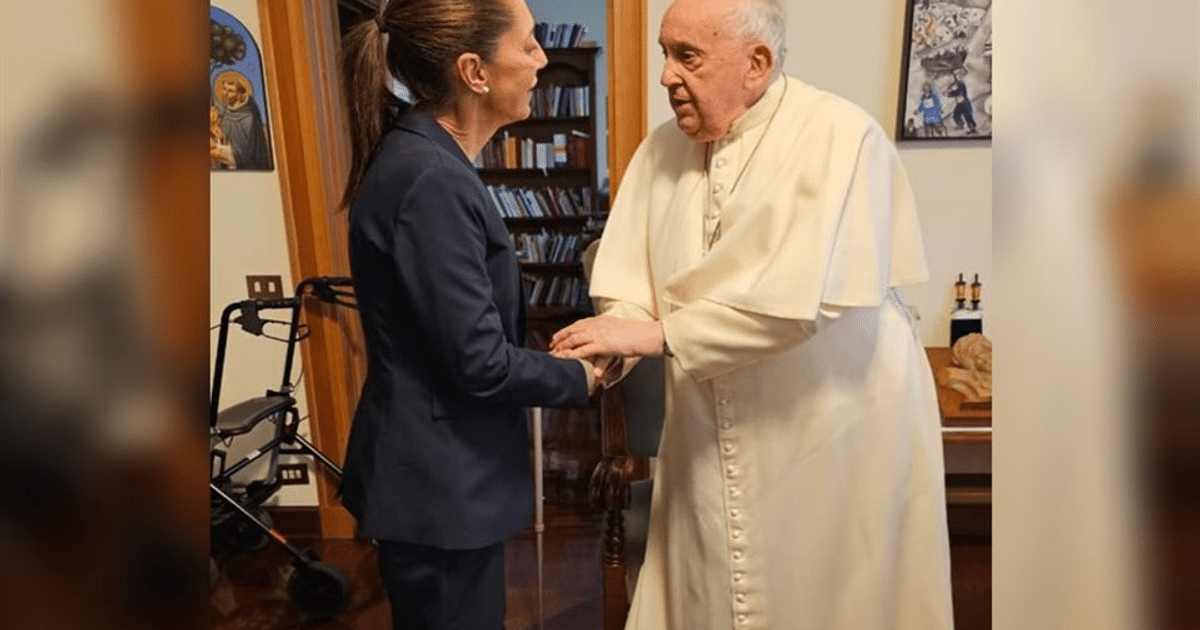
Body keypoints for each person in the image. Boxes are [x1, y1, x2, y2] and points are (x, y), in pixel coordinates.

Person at [550, 0, 954, 628]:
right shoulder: (660, 151)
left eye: (687, 57)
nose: (665, 77)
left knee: (830, 591)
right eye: (663, 53)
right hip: (710, 421)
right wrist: (612, 343)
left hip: (833, 420)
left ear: (757, 63)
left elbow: (800, 305)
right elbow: (633, 284)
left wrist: (655, 334)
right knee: (710, 582)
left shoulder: (840, 137)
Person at [337, 1, 605, 627]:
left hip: (438, 478)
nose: (543, 60)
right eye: (530, 44)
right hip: (437, 487)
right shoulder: (429, 177)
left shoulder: (426, 158)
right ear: (474, 71)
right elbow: (479, 362)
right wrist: (581, 377)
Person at [212, 70, 272, 169]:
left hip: (246, 165)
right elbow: (224, 138)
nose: (225, 93)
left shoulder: (249, 116)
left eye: (230, 91)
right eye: (224, 89)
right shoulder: (226, 113)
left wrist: (221, 152)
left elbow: (247, 153)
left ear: (239, 94)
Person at [948, 69, 978, 134]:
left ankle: (972, 130)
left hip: (965, 103)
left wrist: (951, 93)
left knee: (968, 117)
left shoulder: (961, 84)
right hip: (960, 104)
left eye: (958, 76)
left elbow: (959, 92)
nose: (956, 78)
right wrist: (950, 92)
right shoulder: (957, 83)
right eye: (955, 76)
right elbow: (954, 91)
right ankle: (962, 126)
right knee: (956, 115)